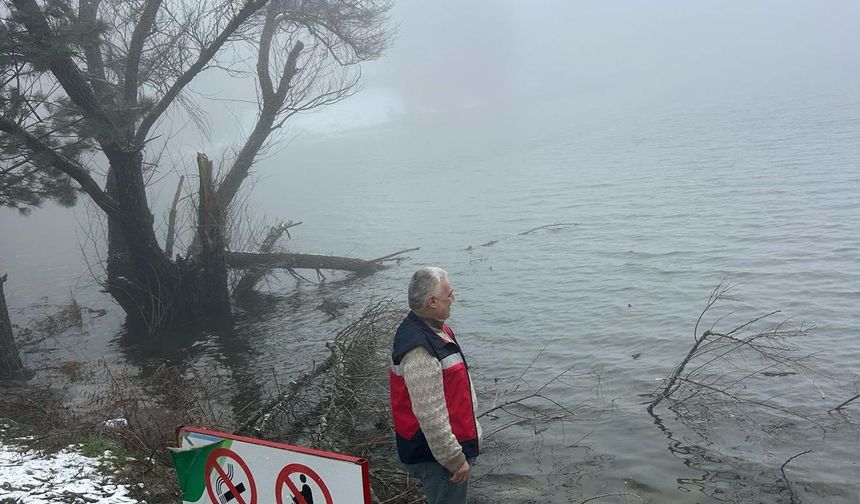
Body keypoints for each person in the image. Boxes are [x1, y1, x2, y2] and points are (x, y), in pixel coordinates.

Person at [389, 267, 482, 504]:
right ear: (432, 301)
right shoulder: (419, 349)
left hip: (445, 450)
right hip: (437, 457)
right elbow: (430, 415)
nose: (453, 298)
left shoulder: (436, 329)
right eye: (448, 294)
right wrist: (454, 459)